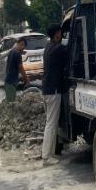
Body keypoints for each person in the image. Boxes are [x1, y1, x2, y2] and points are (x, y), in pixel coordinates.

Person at [42, 24, 67, 166]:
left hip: (46, 89)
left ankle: (49, 153)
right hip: (53, 91)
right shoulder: (58, 48)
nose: (62, 34)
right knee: (51, 124)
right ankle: (46, 156)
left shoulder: (48, 46)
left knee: (50, 123)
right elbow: (70, 53)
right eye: (60, 32)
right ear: (56, 34)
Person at [4, 37, 29, 102]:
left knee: (10, 101)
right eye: (21, 44)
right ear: (17, 44)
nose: (22, 47)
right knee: (11, 102)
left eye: (24, 45)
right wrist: (26, 79)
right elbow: (21, 67)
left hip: (8, 81)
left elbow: (8, 67)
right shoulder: (18, 55)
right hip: (11, 83)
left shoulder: (11, 52)